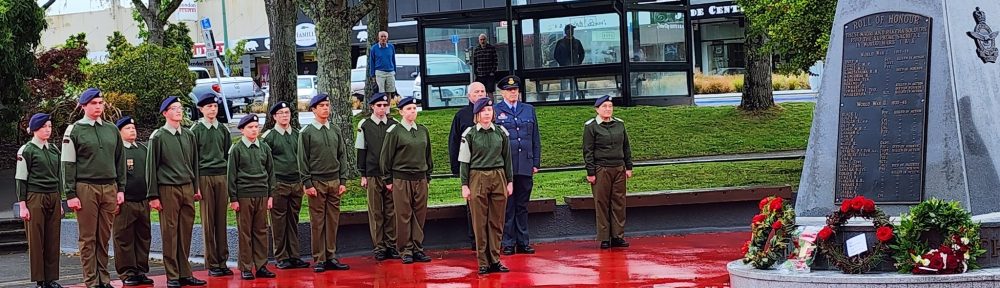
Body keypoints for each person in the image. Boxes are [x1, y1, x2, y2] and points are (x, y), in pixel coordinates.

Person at [60, 88, 125, 288]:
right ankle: (91, 280)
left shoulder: (112, 129)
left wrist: (120, 188)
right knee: (88, 238)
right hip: (86, 188)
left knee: (104, 237)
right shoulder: (75, 130)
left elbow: (120, 160)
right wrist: (70, 193)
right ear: (83, 106)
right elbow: (67, 163)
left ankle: (104, 279)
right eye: (93, 103)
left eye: (100, 102)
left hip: (109, 187)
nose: (98, 106)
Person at [147, 96, 206, 287]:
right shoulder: (159, 137)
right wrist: (153, 195)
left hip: (187, 188)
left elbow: (194, 163)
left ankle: (185, 272)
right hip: (168, 189)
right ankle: (172, 275)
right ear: (165, 113)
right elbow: (152, 167)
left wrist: (195, 186)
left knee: (185, 231)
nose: (179, 111)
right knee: (170, 232)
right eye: (174, 108)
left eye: (180, 108)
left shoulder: (189, 135)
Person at [459, 97, 513, 274]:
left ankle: (495, 259)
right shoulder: (469, 134)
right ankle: (483, 262)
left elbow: (507, 159)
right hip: (477, 176)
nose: (487, 114)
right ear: (477, 114)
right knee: (479, 221)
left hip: (498, 175)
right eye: (483, 111)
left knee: (496, 221)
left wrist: (509, 181)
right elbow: (464, 162)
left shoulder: (501, 132)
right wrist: (465, 185)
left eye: (489, 111)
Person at [298, 94, 351, 272]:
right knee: (318, 221)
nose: (325, 108)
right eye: (321, 106)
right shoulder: (306, 132)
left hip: (334, 181)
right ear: (313, 109)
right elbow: (302, 159)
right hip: (317, 182)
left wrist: (343, 180)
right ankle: (319, 258)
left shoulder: (335, 129)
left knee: (332, 220)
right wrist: (307, 183)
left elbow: (342, 155)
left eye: (327, 105)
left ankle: (331, 256)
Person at [379, 96, 434, 264]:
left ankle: (417, 248)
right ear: (401, 112)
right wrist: (388, 179)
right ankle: (405, 249)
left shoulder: (422, 130)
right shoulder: (395, 132)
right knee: (403, 215)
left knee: (419, 214)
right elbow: (385, 158)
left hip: (420, 178)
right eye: (408, 109)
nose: (412, 111)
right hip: (401, 179)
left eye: (414, 108)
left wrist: (428, 175)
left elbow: (428, 155)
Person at [493, 76, 540, 255]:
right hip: (507, 166)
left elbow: (535, 137)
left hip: (525, 164)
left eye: (515, 89)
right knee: (507, 206)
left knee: (522, 205)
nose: (513, 92)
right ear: (502, 92)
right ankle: (508, 242)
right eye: (509, 90)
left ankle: (523, 241)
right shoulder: (496, 110)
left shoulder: (528, 109)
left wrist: (535, 162)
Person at [261, 102, 310, 270]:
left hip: (296, 183)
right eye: (281, 113)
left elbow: (303, 158)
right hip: (279, 184)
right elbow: (265, 162)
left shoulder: (297, 134)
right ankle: (281, 256)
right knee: (278, 222)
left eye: (287, 112)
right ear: (274, 116)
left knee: (293, 220)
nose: (284, 115)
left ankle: (294, 255)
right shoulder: (269, 136)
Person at [16, 113, 63, 288]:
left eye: (50, 126)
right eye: (44, 126)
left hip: (53, 196)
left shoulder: (53, 150)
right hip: (35, 196)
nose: (48, 130)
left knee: (52, 239)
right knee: (36, 240)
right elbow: (21, 179)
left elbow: (58, 176)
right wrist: (23, 205)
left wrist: (60, 200)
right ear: (35, 128)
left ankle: (51, 278)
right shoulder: (27, 150)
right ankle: (40, 280)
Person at [228, 114, 276, 280]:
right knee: (245, 232)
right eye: (250, 127)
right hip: (244, 195)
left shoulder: (264, 148)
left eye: (256, 126)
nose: (254, 130)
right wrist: (233, 198)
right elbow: (231, 176)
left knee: (261, 231)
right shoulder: (237, 149)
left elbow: (270, 173)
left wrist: (270, 195)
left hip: (262, 194)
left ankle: (261, 265)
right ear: (242, 130)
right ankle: (246, 267)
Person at [583, 95, 633, 249]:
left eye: (610, 106)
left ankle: (618, 236)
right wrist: (591, 172)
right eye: (604, 106)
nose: (608, 109)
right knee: (602, 203)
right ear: (597, 109)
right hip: (601, 169)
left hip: (618, 167)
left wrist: (628, 166)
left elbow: (626, 146)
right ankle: (604, 237)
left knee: (619, 202)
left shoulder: (619, 124)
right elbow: (588, 151)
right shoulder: (591, 126)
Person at [190, 93, 232, 277]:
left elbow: (227, 155)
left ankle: (223, 260)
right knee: (208, 220)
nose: (213, 110)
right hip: (205, 177)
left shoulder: (222, 130)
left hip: (221, 176)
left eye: (215, 107)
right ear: (201, 109)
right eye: (208, 107)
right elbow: (193, 159)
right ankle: (212, 262)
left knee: (221, 219)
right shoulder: (196, 131)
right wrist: (196, 185)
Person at [355, 93, 401, 261]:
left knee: (391, 210)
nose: (382, 108)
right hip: (373, 173)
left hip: (390, 174)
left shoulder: (394, 124)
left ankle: (391, 244)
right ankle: (379, 246)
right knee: (376, 211)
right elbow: (361, 149)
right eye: (379, 105)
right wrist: (363, 174)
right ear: (372, 107)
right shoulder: (365, 125)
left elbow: (398, 151)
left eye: (384, 105)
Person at [112, 116, 154, 286]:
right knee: (124, 237)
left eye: (133, 128)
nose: (132, 130)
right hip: (126, 201)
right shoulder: (118, 151)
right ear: (119, 132)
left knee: (143, 237)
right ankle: (127, 272)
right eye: (128, 128)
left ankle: (140, 270)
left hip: (143, 200)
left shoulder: (143, 150)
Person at [448, 82, 488, 249]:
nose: (480, 94)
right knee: (473, 205)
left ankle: (491, 239)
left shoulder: (491, 113)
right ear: (469, 96)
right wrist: (456, 169)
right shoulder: (462, 116)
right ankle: (475, 239)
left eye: (482, 91)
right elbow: (454, 143)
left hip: (491, 167)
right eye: (476, 92)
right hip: (470, 169)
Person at [553, 24, 585, 100]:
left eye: (572, 30)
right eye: (570, 30)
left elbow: (582, 53)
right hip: (563, 68)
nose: (571, 31)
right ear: (566, 31)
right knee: (564, 86)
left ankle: (573, 99)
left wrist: (578, 62)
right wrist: (562, 63)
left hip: (574, 67)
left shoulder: (577, 42)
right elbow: (556, 55)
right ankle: (562, 100)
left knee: (573, 85)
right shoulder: (560, 42)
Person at [369, 31, 397, 98]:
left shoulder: (391, 47)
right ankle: (382, 106)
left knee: (389, 92)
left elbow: (393, 59)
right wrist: (372, 75)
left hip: (390, 72)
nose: (383, 38)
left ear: (387, 38)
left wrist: (394, 70)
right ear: (378, 38)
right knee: (381, 92)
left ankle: (388, 107)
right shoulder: (374, 48)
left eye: (385, 36)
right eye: (381, 36)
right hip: (379, 72)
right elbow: (371, 62)